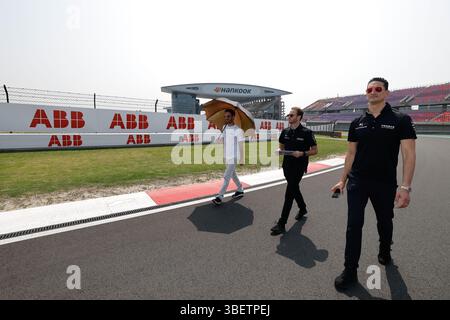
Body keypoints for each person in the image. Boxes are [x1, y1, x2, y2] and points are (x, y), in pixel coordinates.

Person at [332, 77, 417, 290]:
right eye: (369, 89)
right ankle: (350, 270)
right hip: (357, 182)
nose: (373, 91)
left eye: (378, 88)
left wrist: (405, 187)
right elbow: (350, 154)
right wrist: (342, 180)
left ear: (387, 93)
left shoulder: (401, 119)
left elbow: (409, 154)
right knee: (353, 226)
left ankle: (385, 249)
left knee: (385, 222)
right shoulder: (357, 122)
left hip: (385, 183)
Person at [270, 107, 318, 236]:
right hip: (287, 165)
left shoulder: (307, 132)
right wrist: (280, 151)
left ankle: (282, 223)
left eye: (291, 115)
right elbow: (281, 146)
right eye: (288, 115)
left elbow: (314, 150)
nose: (289, 117)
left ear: (299, 117)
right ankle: (302, 208)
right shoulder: (285, 131)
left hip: (299, 166)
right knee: (294, 188)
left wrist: (302, 153)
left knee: (289, 192)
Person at [212, 109, 245, 205]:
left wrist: (242, 158)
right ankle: (240, 189)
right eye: (225, 116)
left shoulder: (238, 130)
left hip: (234, 156)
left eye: (228, 116)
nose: (226, 118)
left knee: (226, 176)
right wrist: (219, 139)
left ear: (233, 117)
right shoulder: (224, 127)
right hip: (227, 156)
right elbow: (223, 141)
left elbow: (241, 145)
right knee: (233, 175)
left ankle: (220, 196)